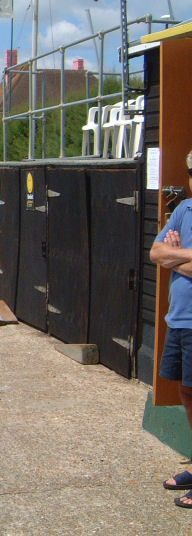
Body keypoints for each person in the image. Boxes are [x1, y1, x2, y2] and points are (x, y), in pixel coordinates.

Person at [151, 149, 192, 509]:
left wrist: (175, 258)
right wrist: (181, 259)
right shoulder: (184, 210)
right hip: (178, 319)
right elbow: (155, 253)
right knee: (185, 394)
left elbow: (167, 258)